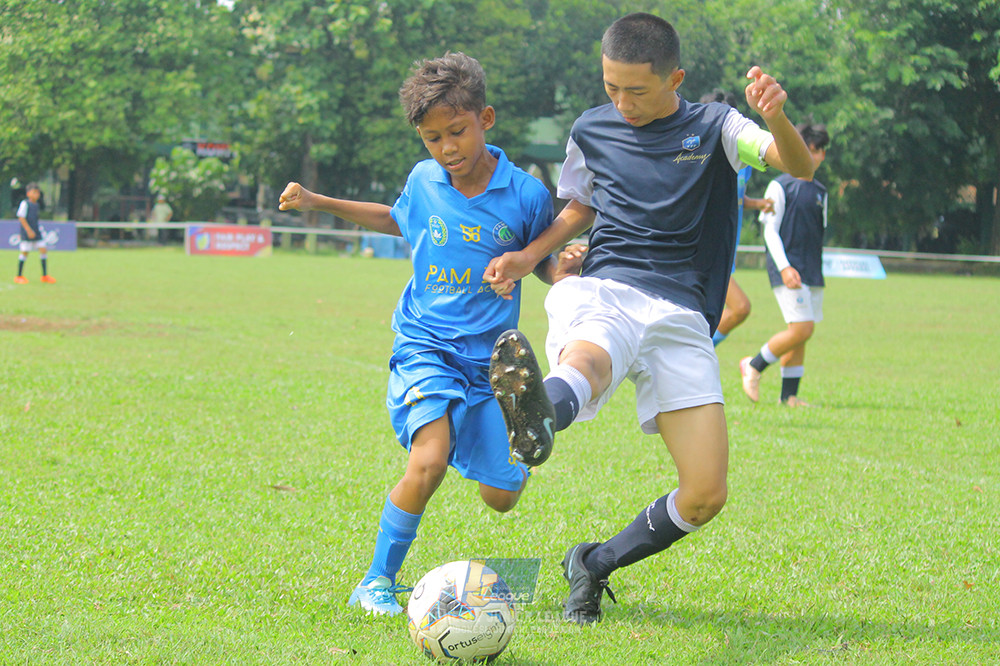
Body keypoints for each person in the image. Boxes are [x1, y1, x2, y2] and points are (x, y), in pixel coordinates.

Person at [483, 12, 815, 624]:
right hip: (607, 287)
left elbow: (797, 165)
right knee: (590, 360)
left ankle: (594, 563)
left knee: (705, 493)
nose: (622, 103)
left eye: (636, 90)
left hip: (682, 314)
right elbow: (579, 205)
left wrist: (775, 117)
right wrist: (532, 257)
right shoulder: (590, 128)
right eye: (611, 87)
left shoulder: (717, 126)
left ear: (675, 78)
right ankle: (539, 414)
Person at [277, 52, 577, 616]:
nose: (447, 149)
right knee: (429, 461)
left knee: (502, 497)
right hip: (426, 346)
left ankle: (520, 419)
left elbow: (540, 259)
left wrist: (562, 269)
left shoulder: (526, 195)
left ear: (485, 119)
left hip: (491, 366)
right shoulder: (423, 180)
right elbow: (396, 220)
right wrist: (317, 201)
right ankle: (375, 582)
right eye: (432, 138)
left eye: (457, 132)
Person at [739, 123, 830, 407]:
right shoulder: (779, 185)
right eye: (809, 149)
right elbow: (770, 231)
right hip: (788, 268)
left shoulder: (821, 191)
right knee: (802, 329)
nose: (814, 155)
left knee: (799, 334)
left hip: (811, 270)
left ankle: (789, 397)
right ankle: (753, 365)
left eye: (818, 150)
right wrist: (785, 267)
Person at [698, 91, 775, 347]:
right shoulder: (695, 157)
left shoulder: (743, 160)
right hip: (701, 251)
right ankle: (699, 353)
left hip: (725, 249)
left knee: (706, 315)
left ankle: (695, 355)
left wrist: (757, 203)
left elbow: (735, 197)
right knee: (740, 307)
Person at [14, 183, 56, 284]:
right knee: (25, 252)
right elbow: (21, 217)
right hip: (27, 233)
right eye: (34, 192)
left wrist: (35, 230)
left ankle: (44, 275)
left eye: (38, 193)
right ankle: (19, 276)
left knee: (43, 249)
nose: (36, 195)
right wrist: (28, 230)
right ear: (28, 193)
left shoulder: (36, 205)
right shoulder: (25, 203)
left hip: (36, 232)